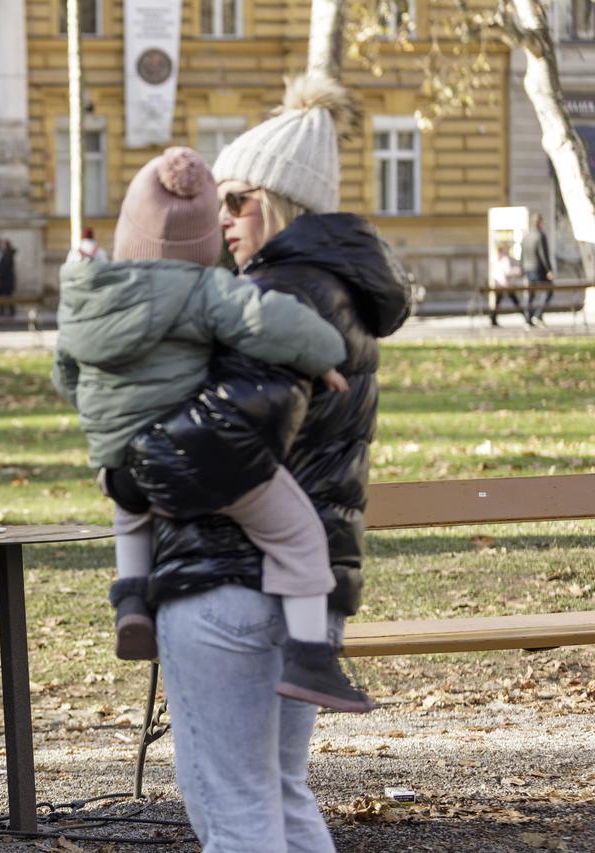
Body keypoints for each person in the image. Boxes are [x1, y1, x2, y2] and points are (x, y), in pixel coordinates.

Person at [147, 76, 410, 850]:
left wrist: (136, 460)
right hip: (299, 588)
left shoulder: (280, 293)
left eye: (240, 200)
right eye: (219, 200)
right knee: (278, 796)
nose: (222, 217)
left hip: (229, 579)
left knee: (233, 806)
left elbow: (228, 438)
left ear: (283, 201)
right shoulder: (338, 292)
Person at [53, 147, 369, 715]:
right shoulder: (204, 290)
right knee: (298, 534)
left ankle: (130, 598)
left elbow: (65, 372)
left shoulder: (86, 293)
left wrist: (99, 414)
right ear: (201, 242)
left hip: (115, 459)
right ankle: (310, 656)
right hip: (183, 452)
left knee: (131, 512)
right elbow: (273, 323)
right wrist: (326, 353)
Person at [522, 212, 554, 326]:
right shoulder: (540, 236)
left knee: (530, 294)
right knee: (549, 290)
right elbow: (544, 255)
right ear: (539, 222)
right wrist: (549, 270)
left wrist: (522, 269)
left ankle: (528, 318)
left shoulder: (526, 236)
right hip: (539, 269)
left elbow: (522, 255)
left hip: (528, 269)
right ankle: (538, 314)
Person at [489, 243, 524, 327]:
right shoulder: (505, 259)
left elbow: (495, 272)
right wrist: (517, 271)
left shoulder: (496, 259)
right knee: (515, 301)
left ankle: (493, 318)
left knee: (498, 302)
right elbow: (507, 271)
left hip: (498, 283)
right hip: (506, 284)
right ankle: (526, 316)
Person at [0, 240, 17, 316]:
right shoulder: (5, 255)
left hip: (6, 281)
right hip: (6, 280)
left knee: (7, 296)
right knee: (7, 296)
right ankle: (6, 311)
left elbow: (4, 269)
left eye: (2, 245)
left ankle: (7, 311)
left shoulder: (7, 256)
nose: (1, 247)